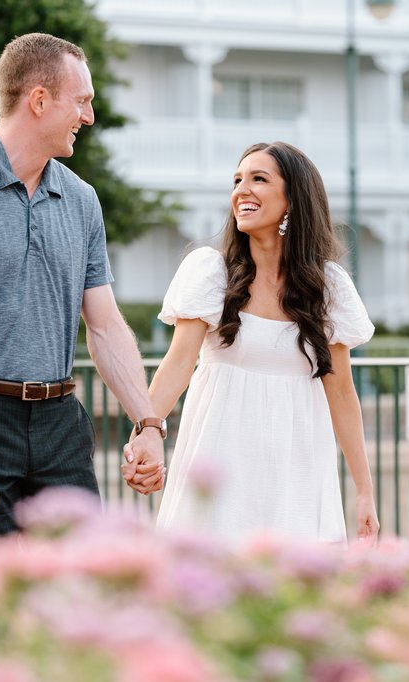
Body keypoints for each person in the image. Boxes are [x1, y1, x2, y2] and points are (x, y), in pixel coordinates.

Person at [0, 33, 166, 540]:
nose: (88, 116)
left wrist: (148, 424)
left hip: (61, 424)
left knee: (80, 588)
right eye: (82, 101)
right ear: (39, 100)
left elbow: (105, 325)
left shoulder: (82, 200)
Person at [125, 141, 379, 545]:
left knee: (290, 591)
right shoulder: (210, 270)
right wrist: (146, 432)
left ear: (293, 198)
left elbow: (343, 393)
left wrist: (364, 490)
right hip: (219, 454)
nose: (242, 189)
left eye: (258, 179)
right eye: (237, 180)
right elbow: (178, 363)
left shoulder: (329, 286)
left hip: (297, 463)